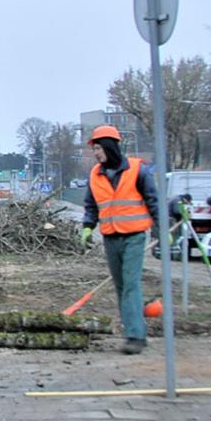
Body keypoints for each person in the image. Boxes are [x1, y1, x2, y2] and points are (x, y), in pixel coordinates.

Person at [79, 125, 160, 355]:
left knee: (130, 285)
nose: (95, 153)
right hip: (110, 238)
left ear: (109, 146)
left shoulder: (137, 170)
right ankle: (134, 330)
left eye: (97, 148)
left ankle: (135, 335)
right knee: (122, 286)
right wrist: (87, 227)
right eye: (94, 149)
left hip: (134, 236)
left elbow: (153, 202)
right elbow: (91, 206)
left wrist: (161, 230)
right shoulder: (95, 175)